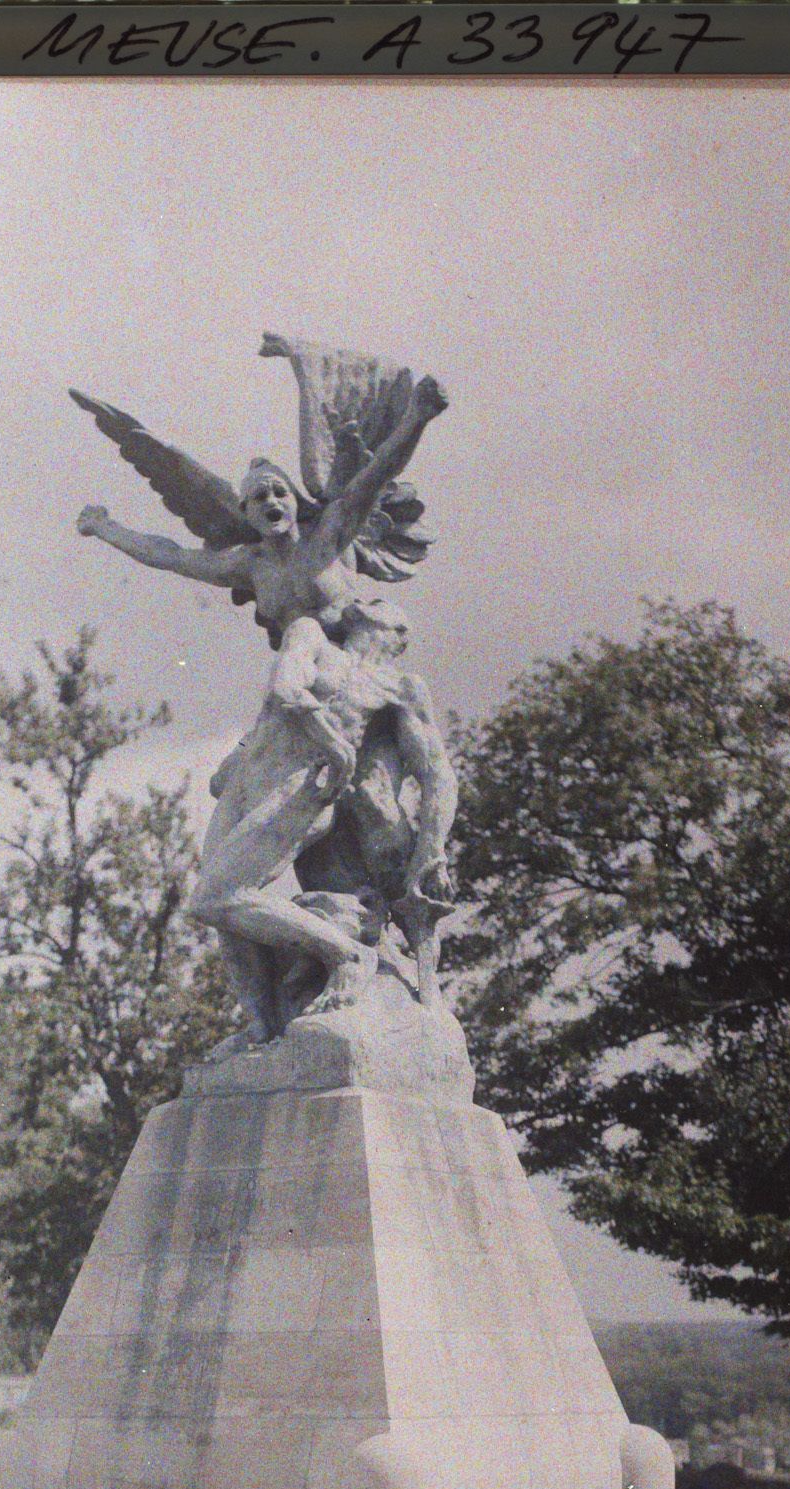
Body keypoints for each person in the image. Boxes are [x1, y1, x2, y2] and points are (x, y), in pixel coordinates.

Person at [190, 599, 457, 1048]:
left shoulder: (399, 686)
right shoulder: (310, 632)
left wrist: (433, 848)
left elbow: (437, 772)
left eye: (378, 604)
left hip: (302, 787)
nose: (360, 602)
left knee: (215, 898)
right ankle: (262, 1026)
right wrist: (329, 741)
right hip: (247, 785)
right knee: (225, 915)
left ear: (396, 631)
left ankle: (347, 956)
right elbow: (284, 689)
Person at [75, 375, 448, 648]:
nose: (271, 502)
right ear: (246, 512)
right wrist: (104, 527)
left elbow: (378, 472)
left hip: (365, 645)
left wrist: (418, 418)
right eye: (259, 498)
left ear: (294, 502)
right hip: (309, 668)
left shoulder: (329, 534)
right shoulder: (246, 565)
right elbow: (169, 555)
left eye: (279, 493)